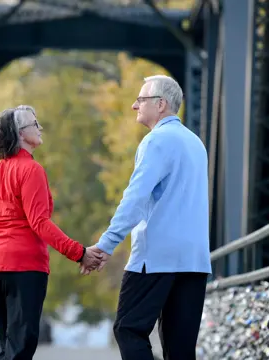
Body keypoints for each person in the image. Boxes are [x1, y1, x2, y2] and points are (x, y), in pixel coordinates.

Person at [82, 75, 212, 360]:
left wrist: (105, 244)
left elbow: (135, 199)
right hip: (194, 258)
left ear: (161, 104)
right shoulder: (196, 144)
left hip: (156, 257)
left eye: (141, 99)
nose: (133, 105)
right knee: (180, 348)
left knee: (129, 329)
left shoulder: (156, 141)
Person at [0, 105, 102, 360]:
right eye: (35, 124)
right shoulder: (31, 170)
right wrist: (79, 253)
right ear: (21, 134)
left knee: (7, 344)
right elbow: (40, 223)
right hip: (23, 266)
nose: (40, 127)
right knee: (22, 346)